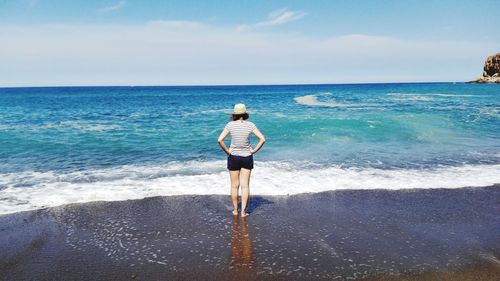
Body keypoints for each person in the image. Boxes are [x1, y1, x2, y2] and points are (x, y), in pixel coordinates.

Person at [217, 103, 266, 217]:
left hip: (233, 157)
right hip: (247, 157)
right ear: (244, 114)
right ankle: (243, 212)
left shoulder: (230, 125)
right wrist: (253, 151)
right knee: (245, 186)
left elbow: (220, 140)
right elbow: (262, 139)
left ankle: (235, 211)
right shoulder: (250, 125)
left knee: (234, 186)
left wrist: (228, 152)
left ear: (234, 114)